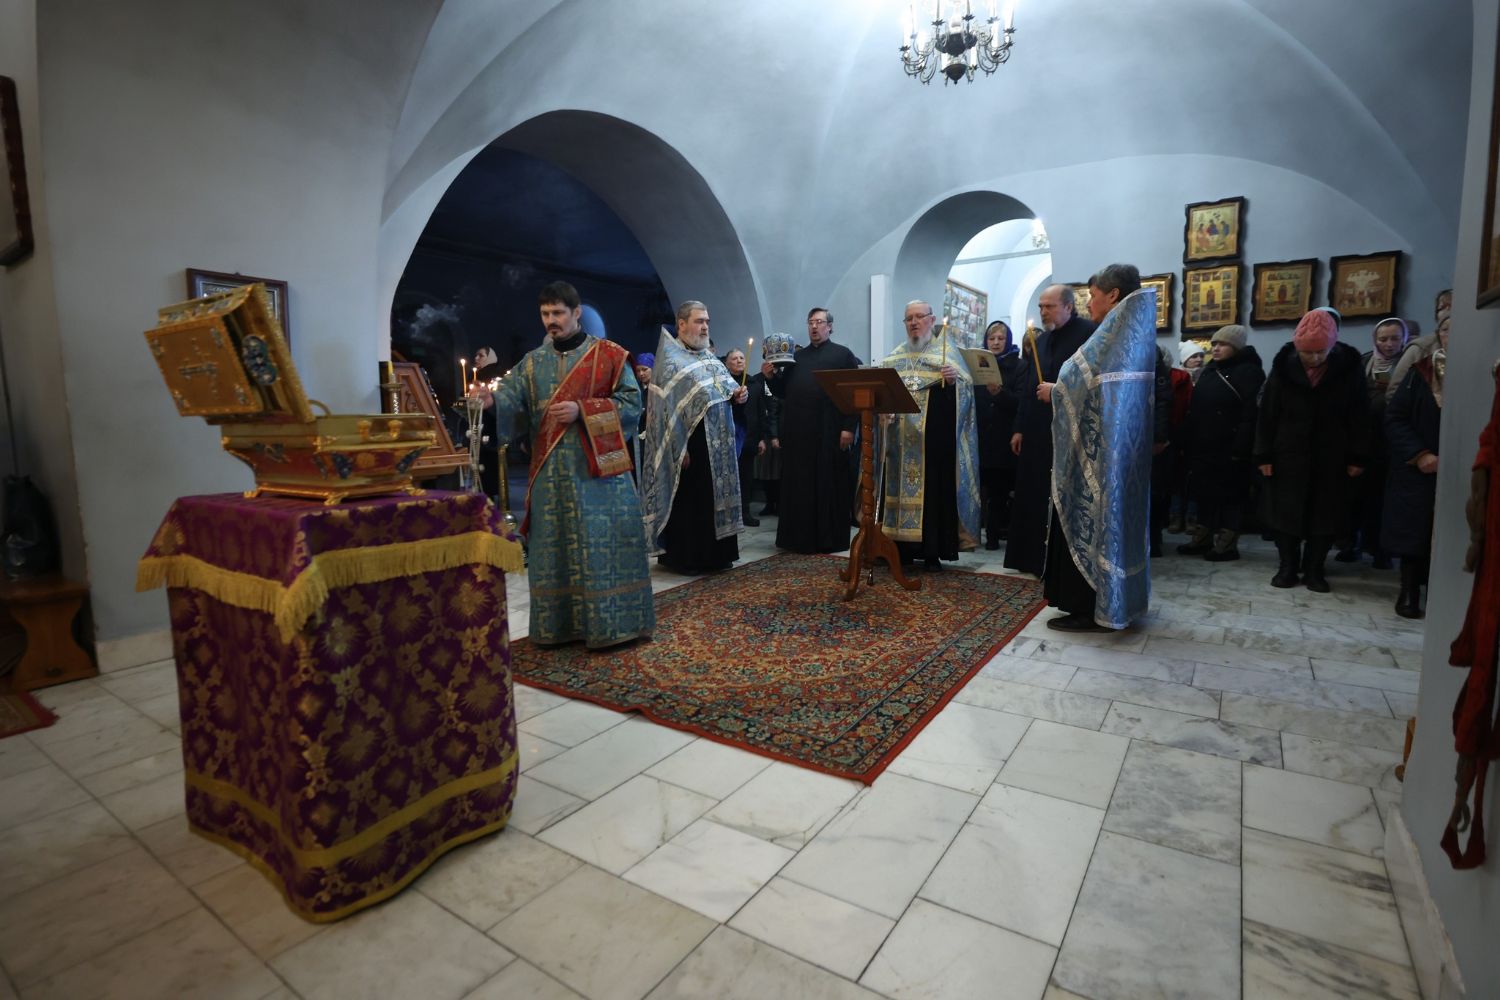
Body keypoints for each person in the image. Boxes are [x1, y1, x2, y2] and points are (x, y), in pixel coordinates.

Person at [482, 281, 654, 648]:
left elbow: (632, 405)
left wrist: (582, 410)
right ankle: (558, 627)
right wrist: (491, 402)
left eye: (558, 313)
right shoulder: (532, 362)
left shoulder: (609, 355)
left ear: (576, 313)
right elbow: (512, 401)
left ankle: (611, 626)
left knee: (598, 547)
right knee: (554, 549)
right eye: (545, 314)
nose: (551, 320)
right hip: (551, 476)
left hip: (597, 477)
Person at [1045, 264, 1155, 632]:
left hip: (1099, 455)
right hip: (1123, 455)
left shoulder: (1113, 335)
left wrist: (1056, 392)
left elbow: (1077, 381)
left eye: (1092, 296)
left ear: (1113, 295)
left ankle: (1086, 606)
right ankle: (1121, 600)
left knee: (1094, 520)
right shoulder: (1134, 330)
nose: (1089, 304)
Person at [1253, 309, 1371, 592]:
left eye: (1321, 352)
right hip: (1288, 454)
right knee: (1285, 514)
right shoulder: (1283, 368)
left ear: (1332, 346)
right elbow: (1268, 414)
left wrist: (1358, 456)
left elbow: (1360, 416)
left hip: (1332, 456)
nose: (1315, 358)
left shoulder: (1349, 369)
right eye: (1308, 353)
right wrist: (1263, 455)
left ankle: (1315, 569)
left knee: (1325, 516)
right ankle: (1287, 566)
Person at [641, 300, 747, 574]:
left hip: (719, 446)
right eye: (699, 321)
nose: (705, 327)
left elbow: (725, 392)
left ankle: (719, 556)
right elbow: (662, 412)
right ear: (682, 324)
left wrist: (738, 396)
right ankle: (688, 559)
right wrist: (680, 447)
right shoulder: (671, 362)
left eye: (707, 321)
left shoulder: (710, 359)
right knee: (692, 503)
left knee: (713, 499)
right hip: (691, 447)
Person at [879, 300, 980, 569]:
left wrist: (953, 383)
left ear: (932, 320)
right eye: (909, 318)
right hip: (899, 444)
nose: (914, 322)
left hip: (932, 445)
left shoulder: (947, 356)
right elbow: (882, 394)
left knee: (932, 494)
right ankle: (898, 549)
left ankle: (932, 551)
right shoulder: (894, 358)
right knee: (895, 493)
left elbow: (966, 396)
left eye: (919, 317)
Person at [1005, 285, 1096, 574]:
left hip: (1070, 430)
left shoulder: (1089, 335)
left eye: (1050, 306)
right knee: (1033, 490)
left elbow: (1092, 382)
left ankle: (1058, 562)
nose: (1043, 312)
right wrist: (1019, 428)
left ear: (1068, 306)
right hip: (1036, 428)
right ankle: (1030, 557)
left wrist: (1057, 391)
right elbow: (1029, 387)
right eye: (1041, 307)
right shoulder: (1041, 340)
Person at [775, 308, 862, 554]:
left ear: (830, 326)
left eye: (820, 322)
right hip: (798, 434)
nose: (814, 326)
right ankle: (797, 539)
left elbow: (854, 394)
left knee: (827, 484)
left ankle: (828, 539)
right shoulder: (796, 357)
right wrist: (772, 377)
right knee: (799, 486)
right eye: (811, 322)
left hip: (830, 431)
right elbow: (783, 392)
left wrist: (849, 428)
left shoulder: (843, 355)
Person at [1178, 324, 1265, 561]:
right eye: (1214, 344)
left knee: (1231, 496)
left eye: (1223, 344)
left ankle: (1226, 544)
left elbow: (1251, 414)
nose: (1215, 348)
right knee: (1203, 493)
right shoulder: (1210, 370)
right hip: (1204, 445)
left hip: (1230, 446)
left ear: (1236, 347)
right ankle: (1202, 538)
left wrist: (1241, 447)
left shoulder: (1249, 372)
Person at [1382, 313, 1448, 617]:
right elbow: (1396, 417)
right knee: (1415, 528)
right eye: (1446, 330)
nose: (1452, 335)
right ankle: (1409, 590)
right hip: (1420, 464)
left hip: (1467, 466)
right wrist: (1419, 453)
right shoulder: (1420, 371)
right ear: (1438, 336)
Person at [1337, 317, 1410, 566]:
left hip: (1391, 443)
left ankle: (1381, 549)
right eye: (1383, 339)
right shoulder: (1363, 362)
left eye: (1395, 338)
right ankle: (1350, 544)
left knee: (1384, 500)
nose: (1389, 344)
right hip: (1361, 439)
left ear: (1404, 339)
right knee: (1353, 497)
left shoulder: (1410, 364)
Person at [974, 320, 1025, 549]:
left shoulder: (1020, 366)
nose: (995, 343)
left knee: (998, 491)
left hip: (1004, 438)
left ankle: (993, 536)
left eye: (1000, 338)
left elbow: (1021, 402)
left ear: (1008, 340)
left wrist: (999, 393)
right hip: (981, 436)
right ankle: (972, 533)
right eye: (991, 338)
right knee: (979, 488)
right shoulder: (978, 364)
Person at [750, 334, 793, 516]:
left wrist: (776, 434)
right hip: (764, 431)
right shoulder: (757, 379)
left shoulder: (784, 379)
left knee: (780, 470)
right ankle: (769, 503)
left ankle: (781, 503)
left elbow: (781, 403)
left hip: (780, 430)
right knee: (765, 470)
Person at [723, 348, 764, 526]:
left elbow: (761, 412)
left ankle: (745, 512)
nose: (739, 360)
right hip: (729, 437)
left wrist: (762, 438)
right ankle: (729, 512)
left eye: (741, 357)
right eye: (734, 358)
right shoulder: (723, 383)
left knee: (747, 477)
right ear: (727, 363)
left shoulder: (754, 384)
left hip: (750, 438)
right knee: (730, 477)